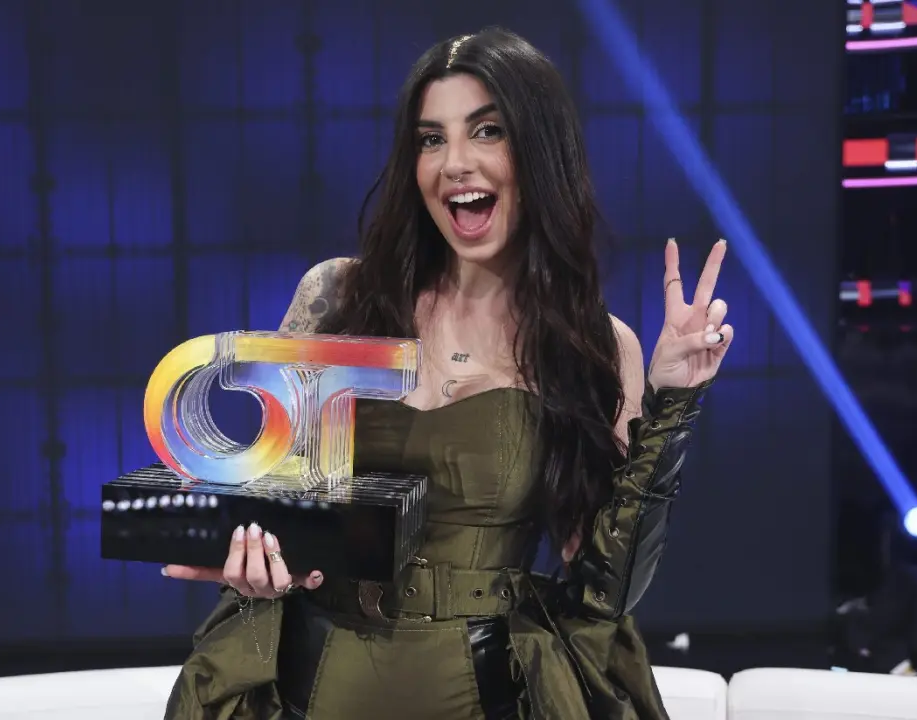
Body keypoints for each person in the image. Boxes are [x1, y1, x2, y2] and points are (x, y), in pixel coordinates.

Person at [161, 27, 732, 720]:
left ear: (539, 150)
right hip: (310, 691)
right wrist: (256, 560)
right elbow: (276, 512)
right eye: (432, 139)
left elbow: (604, 591)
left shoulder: (593, 346)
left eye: (487, 131)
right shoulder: (337, 299)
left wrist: (673, 402)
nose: (455, 163)